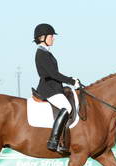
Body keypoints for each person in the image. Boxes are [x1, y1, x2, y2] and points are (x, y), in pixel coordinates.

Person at [33, 23, 79, 154]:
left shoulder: (45, 52)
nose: (53, 38)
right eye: (51, 36)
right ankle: (54, 141)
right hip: (49, 89)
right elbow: (53, 74)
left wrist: (71, 80)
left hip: (53, 87)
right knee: (68, 108)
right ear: (42, 37)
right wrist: (71, 81)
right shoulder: (42, 53)